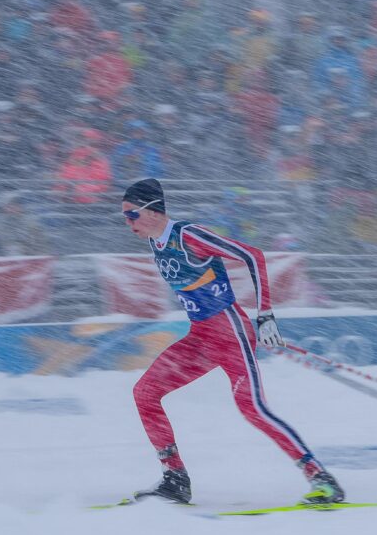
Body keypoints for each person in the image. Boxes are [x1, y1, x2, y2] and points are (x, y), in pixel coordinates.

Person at [119, 178, 345, 505]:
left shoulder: (188, 235)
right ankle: (175, 479)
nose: (128, 223)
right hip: (200, 336)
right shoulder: (155, 243)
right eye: (125, 217)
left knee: (252, 408)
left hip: (230, 334)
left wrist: (265, 313)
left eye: (132, 215)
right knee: (145, 393)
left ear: (153, 212)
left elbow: (252, 256)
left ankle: (321, 479)